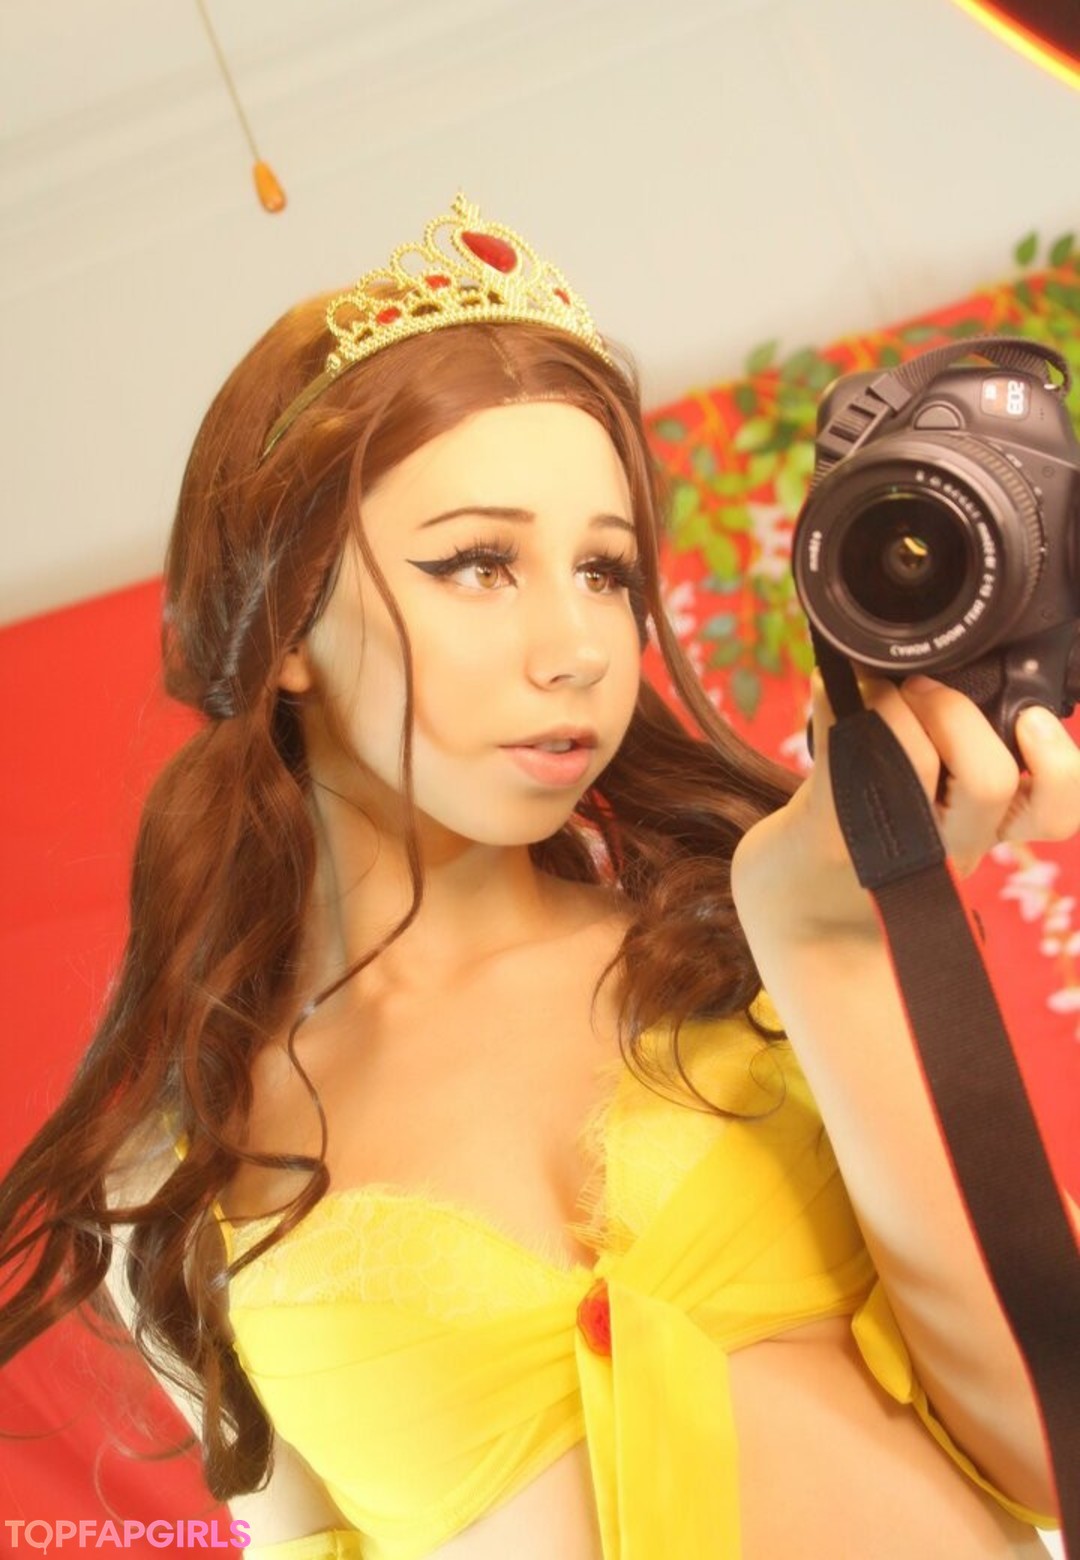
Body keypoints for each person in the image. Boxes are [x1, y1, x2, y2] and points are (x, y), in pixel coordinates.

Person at [0, 194, 1073, 1559]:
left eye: (607, 571)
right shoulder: (177, 1178)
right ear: (285, 624)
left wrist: (828, 942)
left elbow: (1054, 1446)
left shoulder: (748, 954)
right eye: (478, 564)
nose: (577, 648)